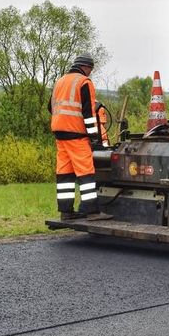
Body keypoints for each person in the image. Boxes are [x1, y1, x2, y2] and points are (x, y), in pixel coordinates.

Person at [49, 54, 112, 221]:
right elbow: (88, 113)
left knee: (65, 174)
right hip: (76, 135)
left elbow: (51, 107)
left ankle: (66, 212)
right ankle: (92, 212)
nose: (90, 73)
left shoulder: (60, 81)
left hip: (60, 135)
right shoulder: (84, 82)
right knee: (86, 173)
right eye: (90, 70)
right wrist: (93, 136)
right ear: (86, 67)